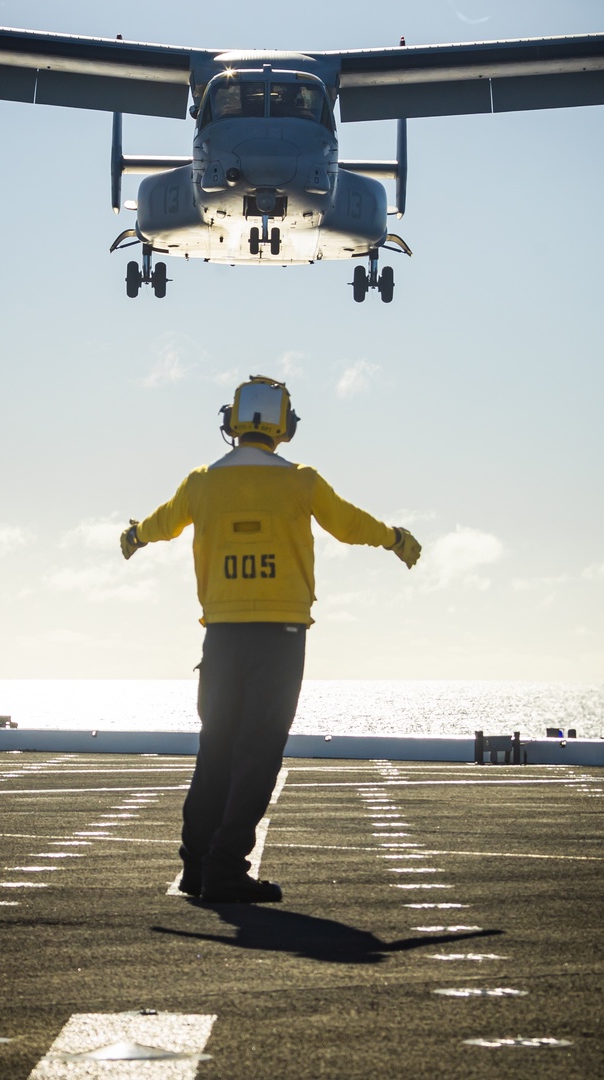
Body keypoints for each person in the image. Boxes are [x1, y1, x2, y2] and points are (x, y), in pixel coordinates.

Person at [120, 375, 421, 904]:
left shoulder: (202, 482)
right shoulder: (301, 481)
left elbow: (162, 524)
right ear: (285, 426)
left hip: (222, 634)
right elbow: (349, 525)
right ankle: (227, 869)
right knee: (257, 753)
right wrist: (395, 538)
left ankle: (195, 867)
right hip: (280, 634)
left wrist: (134, 535)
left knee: (214, 750)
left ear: (231, 424)